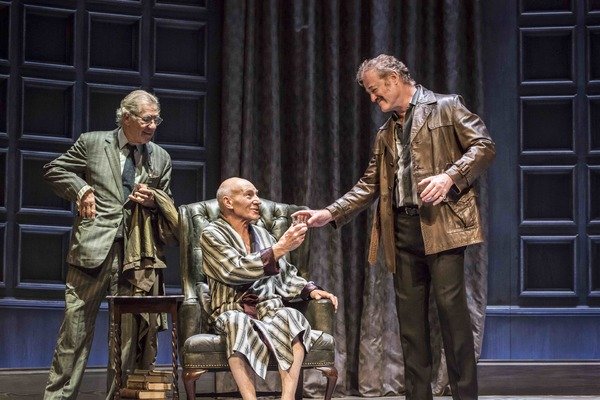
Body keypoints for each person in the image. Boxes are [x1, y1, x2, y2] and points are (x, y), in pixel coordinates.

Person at [293, 54, 496, 400]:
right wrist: (329, 212)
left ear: (393, 79)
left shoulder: (445, 107)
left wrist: (450, 177)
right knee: (411, 326)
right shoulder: (386, 132)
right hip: (401, 230)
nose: (373, 98)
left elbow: (484, 146)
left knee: (452, 318)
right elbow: (368, 185)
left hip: (442, 226)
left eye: (375, 90)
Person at [42, 89, 177, 400]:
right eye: (147, 119)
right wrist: (81, 189)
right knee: (74, 333)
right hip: (92, 250)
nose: (152, 126)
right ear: (126, 117)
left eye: (156, 120)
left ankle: (119, 397)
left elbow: (167, 203)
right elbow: (54, 169)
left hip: (135, 255)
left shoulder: (161, 157)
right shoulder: (92, 143)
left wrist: (153, 200)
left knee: (127, 336)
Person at [200, 177, 338, 400]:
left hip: (268, 308)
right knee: (237, 321)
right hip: (231, 308)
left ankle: (287, 398)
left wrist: (309, 290)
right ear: (228, 202)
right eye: (249, 195)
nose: (257, 200)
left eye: (257, 194)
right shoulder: (211, 234)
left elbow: (284, 275)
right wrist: (279, 248)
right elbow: (233, 269)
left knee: (292, 316)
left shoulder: (264, 235)